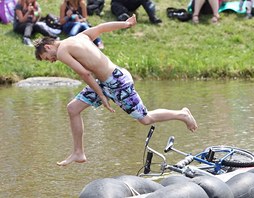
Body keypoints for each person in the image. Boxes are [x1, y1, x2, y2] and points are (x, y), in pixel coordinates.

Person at [33, 15, 198, 166]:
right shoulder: (79, 37)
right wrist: (125, 24)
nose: (52, 61)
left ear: (48, 47)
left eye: (48, 58)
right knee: (73, 108)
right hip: (105, 81)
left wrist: (101, 95)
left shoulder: (62, 51)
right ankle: (78, 152)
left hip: (117, 82)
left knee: (145, 119)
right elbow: (101, 28)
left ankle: (181, 114)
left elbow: (84, 73)